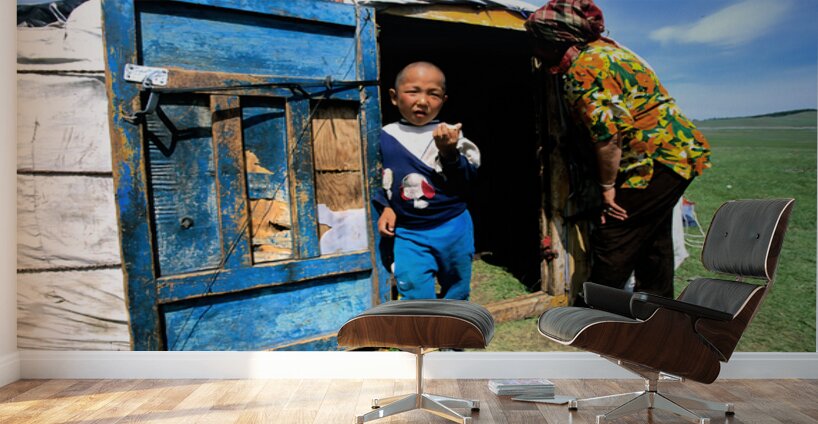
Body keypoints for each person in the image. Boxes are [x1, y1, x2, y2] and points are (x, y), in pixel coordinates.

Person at [525, 0, 711, 298]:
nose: (532, 47)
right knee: (653, 235)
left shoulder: (585, 69)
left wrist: (607, 187)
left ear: (556, 39)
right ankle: (655, 307)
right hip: (679, 154)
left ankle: (595, 316)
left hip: (654, 162)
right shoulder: (610, 52)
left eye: (535, 39)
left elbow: (606, 138)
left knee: (615, 234)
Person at [373, 61, 480, 300]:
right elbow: (378, 177)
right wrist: (386, 206)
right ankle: (425, 332)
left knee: (457, 285)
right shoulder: (385, 135)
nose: (422, 101)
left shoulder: (450, 134)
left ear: (443, 100)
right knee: (412, 284)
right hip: (409, 231)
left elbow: (466, 180)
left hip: (453, 225)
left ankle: (453, 328)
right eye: (413, 92)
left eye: (433, 94)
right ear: (393, 96)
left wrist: (449, 153)